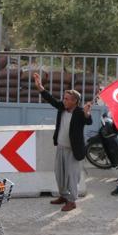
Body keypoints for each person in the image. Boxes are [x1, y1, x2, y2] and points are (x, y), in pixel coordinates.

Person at [34, 72, 92, 212]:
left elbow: (88, 121)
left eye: (67, 99)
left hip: (73, 150)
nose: (64, 101)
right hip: (61, 147)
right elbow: (51, 100)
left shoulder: (79, 112)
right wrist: (40, 87)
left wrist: (86, 113)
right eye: (64, 98)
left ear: (75, 101)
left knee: (72, 176)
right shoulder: (62, 108)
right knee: (59, 174)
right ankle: (64, 196)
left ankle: (72, 201)